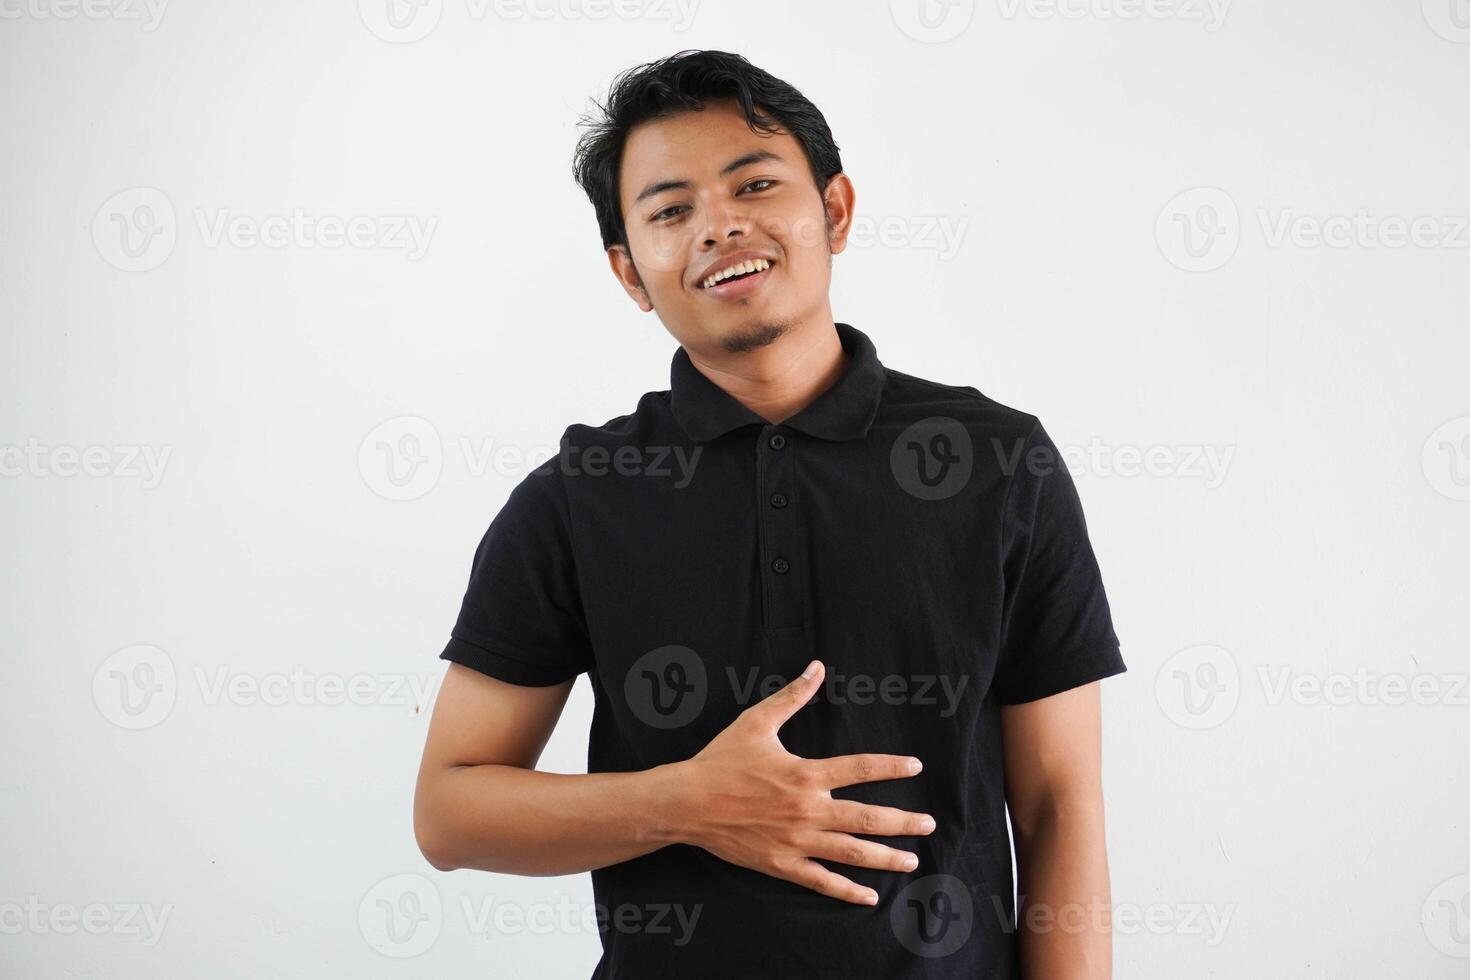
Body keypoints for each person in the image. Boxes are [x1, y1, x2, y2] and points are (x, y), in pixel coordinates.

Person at [413, 49, 1126, 979]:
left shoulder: (998, 463)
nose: (719, 226)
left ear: (834, 211)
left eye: (754, 184)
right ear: (631, 272)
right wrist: (685, 802)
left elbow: (1058, 805)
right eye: (671, 211)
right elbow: (450, 811)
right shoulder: (578, 495)